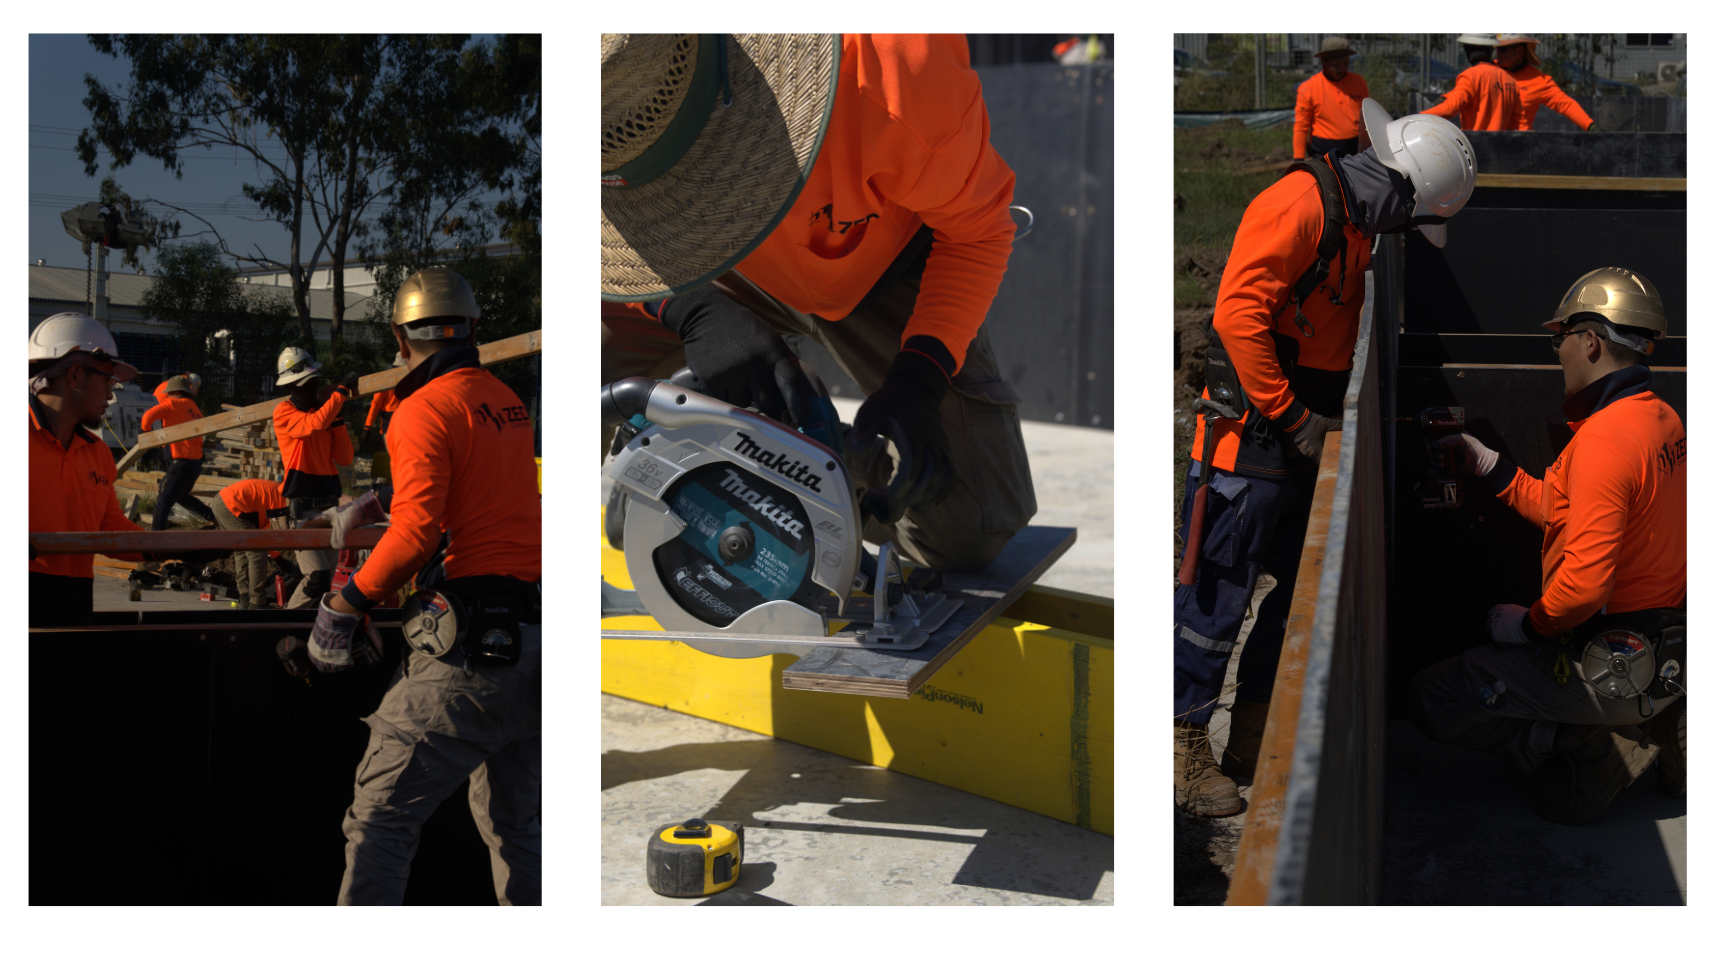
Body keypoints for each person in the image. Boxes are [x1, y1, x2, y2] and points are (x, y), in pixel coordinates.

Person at [600, 33, 1037, 573]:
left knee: (966, 529)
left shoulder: (895, 70)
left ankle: (815, 455)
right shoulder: (598, 93)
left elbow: (979, 232)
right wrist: (690, 308)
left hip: (886, 261)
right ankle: (661, 463)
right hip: (708, 266)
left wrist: (920, 377)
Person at [1173, 99, 1478, 816]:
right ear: (1397, 190)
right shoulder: (1301, 205)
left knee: (1289, 591)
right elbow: (1235, 316)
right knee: (1213, 598)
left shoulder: (1355, 223)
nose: (1403, 231)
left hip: (1294, 436)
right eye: (1410, 216)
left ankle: (1250, 726)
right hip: (1248, 440)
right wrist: (1291, 417)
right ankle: (1180, 742)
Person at [1408, 267, 1685, 823]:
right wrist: (1488, 464)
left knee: (1430, 699)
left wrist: (1527, 627)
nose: (1557, 351)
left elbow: (1583, 588)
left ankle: (1593, 746)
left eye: (1561, 339)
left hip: (1605, 660)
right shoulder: (1660, 419)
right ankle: (1663, 722)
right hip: (1668, 652)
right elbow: (1566, 512)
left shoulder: (1605, 441)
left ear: (1590, 341)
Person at [305, 266, 542, 906]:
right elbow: (480, 482)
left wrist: (342, 608)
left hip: (470, 652)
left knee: (380, 818)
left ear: (399, 336)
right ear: (473, 330)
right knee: (517, 828)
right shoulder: (505, 401)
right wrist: (382, 493)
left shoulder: (418, 409)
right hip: (533, 644)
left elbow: (415, 535)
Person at [29, 313, 153, 627]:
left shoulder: (96, 452)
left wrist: (167, 548)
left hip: (75, 600)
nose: (112, 394)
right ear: (74, 375)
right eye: (107, 379)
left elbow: (109, 528)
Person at [273, 346, 357, 608]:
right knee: (317, 577)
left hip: (328, 505)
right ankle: (285, 624)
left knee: (326, 580)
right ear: (294, 384)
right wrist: (340, 394)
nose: (314, 384)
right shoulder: (284, 412)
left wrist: (339, 418)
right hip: (302, 507)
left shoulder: (325, 413)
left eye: (315, 380)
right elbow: (313, 426)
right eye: (308, 380)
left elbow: (345, 458)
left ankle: (308, 630)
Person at [141, 375, 218, 530]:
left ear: (175, 391)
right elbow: (200, 439)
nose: (167, 395)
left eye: (169, 392)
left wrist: (146, 433)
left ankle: (155, 546)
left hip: (179, 466)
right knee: (182, 497)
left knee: (162, 505)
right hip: (194, 465)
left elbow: (147, 417)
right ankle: (215, 519)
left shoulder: (172, 403)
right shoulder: (196, 410)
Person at [212, 478, 290, 610]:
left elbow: (265, 534)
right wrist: (280, 560)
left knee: (242, 550)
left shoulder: (279, 493)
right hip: (231, 505)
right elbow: (266, 539)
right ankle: (257, 602)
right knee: (257, 552)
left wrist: (278, 559)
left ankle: (245, 597)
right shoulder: (284, 502)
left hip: (222, 501)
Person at [1420, 34, 1524, 131]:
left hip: (1474, 144)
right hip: (1499, 147)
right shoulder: (1510, 80)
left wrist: (1418, 117)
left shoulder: (1471, 75)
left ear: (1473, 48)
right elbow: (1519, 122)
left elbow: (1450, 108)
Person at [1496, 34, 1596, 131]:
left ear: (1519, 51)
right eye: (1496, 47)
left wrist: (1591, 127)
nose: (1497, 53)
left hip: (1520, 143)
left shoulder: (1540, 80)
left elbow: (1566, 105)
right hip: (1488, 141)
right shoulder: (1487, 70)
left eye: (1502, 49)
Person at [1293, 37, 1370, 159]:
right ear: (1324, 62)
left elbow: (1366, 119)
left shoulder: (1359, 83)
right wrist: (1298, 158)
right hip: (1323, 152)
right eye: (1335, 65)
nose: (1342, 69)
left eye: (1345, 63)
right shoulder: (1308, 88)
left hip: (1354, 152)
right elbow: (1301, 126)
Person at [360, 356, 405, 485]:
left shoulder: (386, 380)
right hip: (399, 421)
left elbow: (375, 404)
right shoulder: (410, 379)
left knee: (387, 455)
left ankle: (380, 489)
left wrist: (367, 427)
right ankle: (383, 488)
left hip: (390, 423)